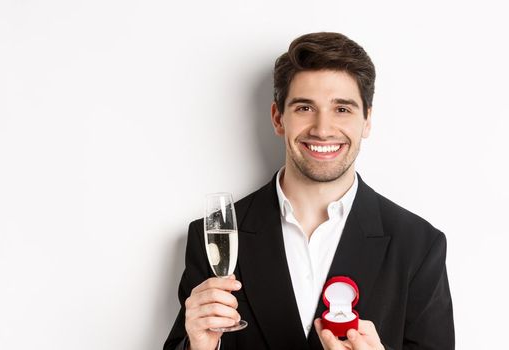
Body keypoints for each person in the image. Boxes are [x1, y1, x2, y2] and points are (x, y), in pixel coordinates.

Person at [163, 32, 454, 350]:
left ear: (367, 120)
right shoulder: (214, 234)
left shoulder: (419, 246)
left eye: (342, 109)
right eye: (305, 108)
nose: (323, 128)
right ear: (278, 118)